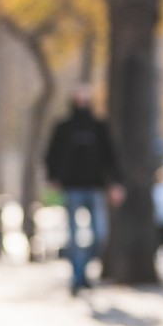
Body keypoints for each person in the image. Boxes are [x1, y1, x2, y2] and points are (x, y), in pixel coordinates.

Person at [43, 84, 123, 296]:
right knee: (74, 236)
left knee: (100, 234)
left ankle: (83, 271)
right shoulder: (63, 127)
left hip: (96, 188)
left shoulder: (98, 127)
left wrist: (116, 183)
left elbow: (111, 157)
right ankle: (77, 279)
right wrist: (53, 178)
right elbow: (51, 155)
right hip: (72, 189)